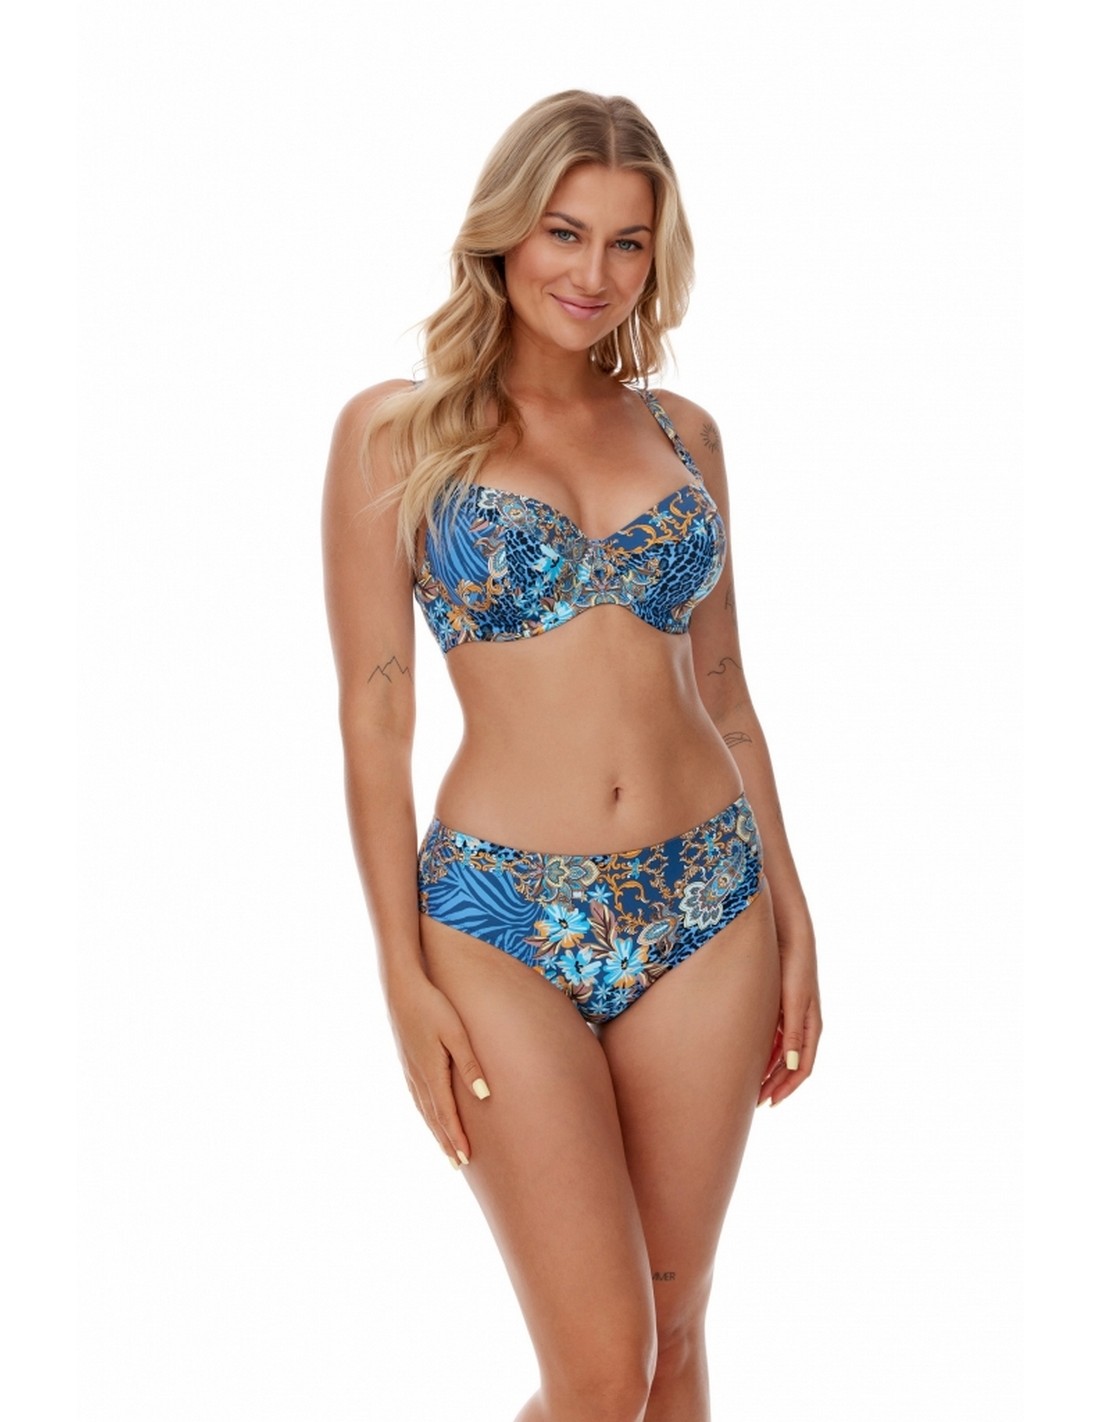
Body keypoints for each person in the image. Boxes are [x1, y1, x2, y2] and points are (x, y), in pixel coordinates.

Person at [322, 89, 821, 1422]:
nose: (593, 272)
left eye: (627, 242)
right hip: (497, 918)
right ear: (503, 232)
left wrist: (793, 914)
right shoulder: (395, 434)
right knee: (601, 1377)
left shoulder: (684, 436)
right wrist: (399, 974)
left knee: (676, 1334)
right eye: (564, 231)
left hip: (707, 903)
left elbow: (728, 692)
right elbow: (374, 716)